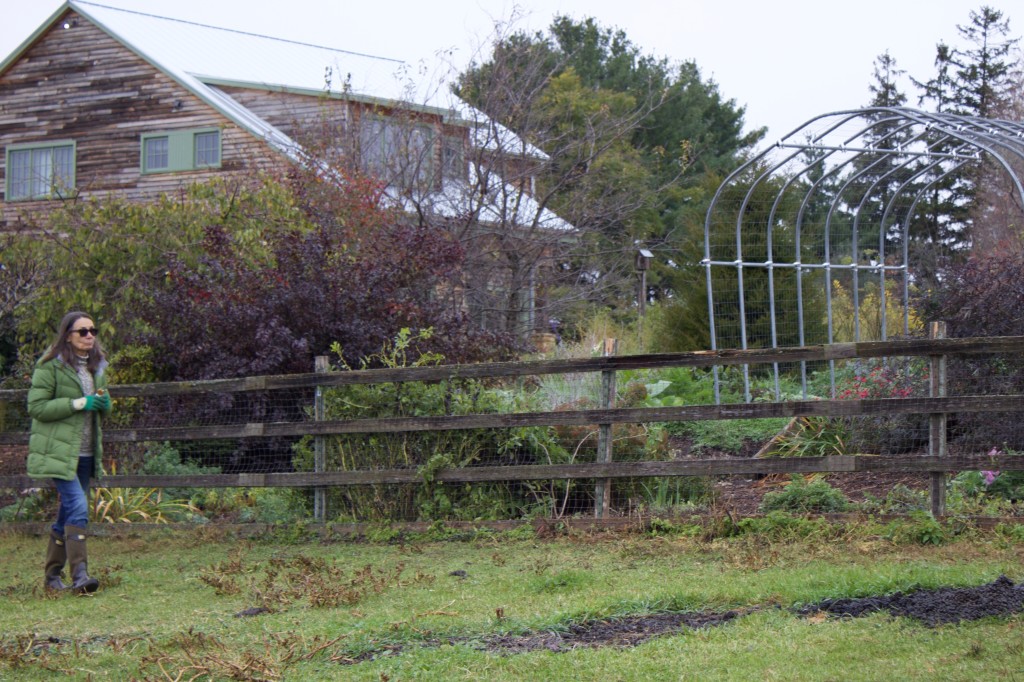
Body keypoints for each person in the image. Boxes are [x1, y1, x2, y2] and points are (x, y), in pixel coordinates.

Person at [26, 311, 111, 593]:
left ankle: (52, 579)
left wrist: (103, 403)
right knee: (78, 506)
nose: (89, 336)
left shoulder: (97, 366)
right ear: (67, 335)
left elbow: (100, 407)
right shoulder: (50, 365)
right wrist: (77, 403)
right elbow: (37, 408)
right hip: (57, 452)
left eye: (92, 331)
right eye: (82, 332)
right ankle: (80, 577)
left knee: (67, 514)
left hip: (85, 452)